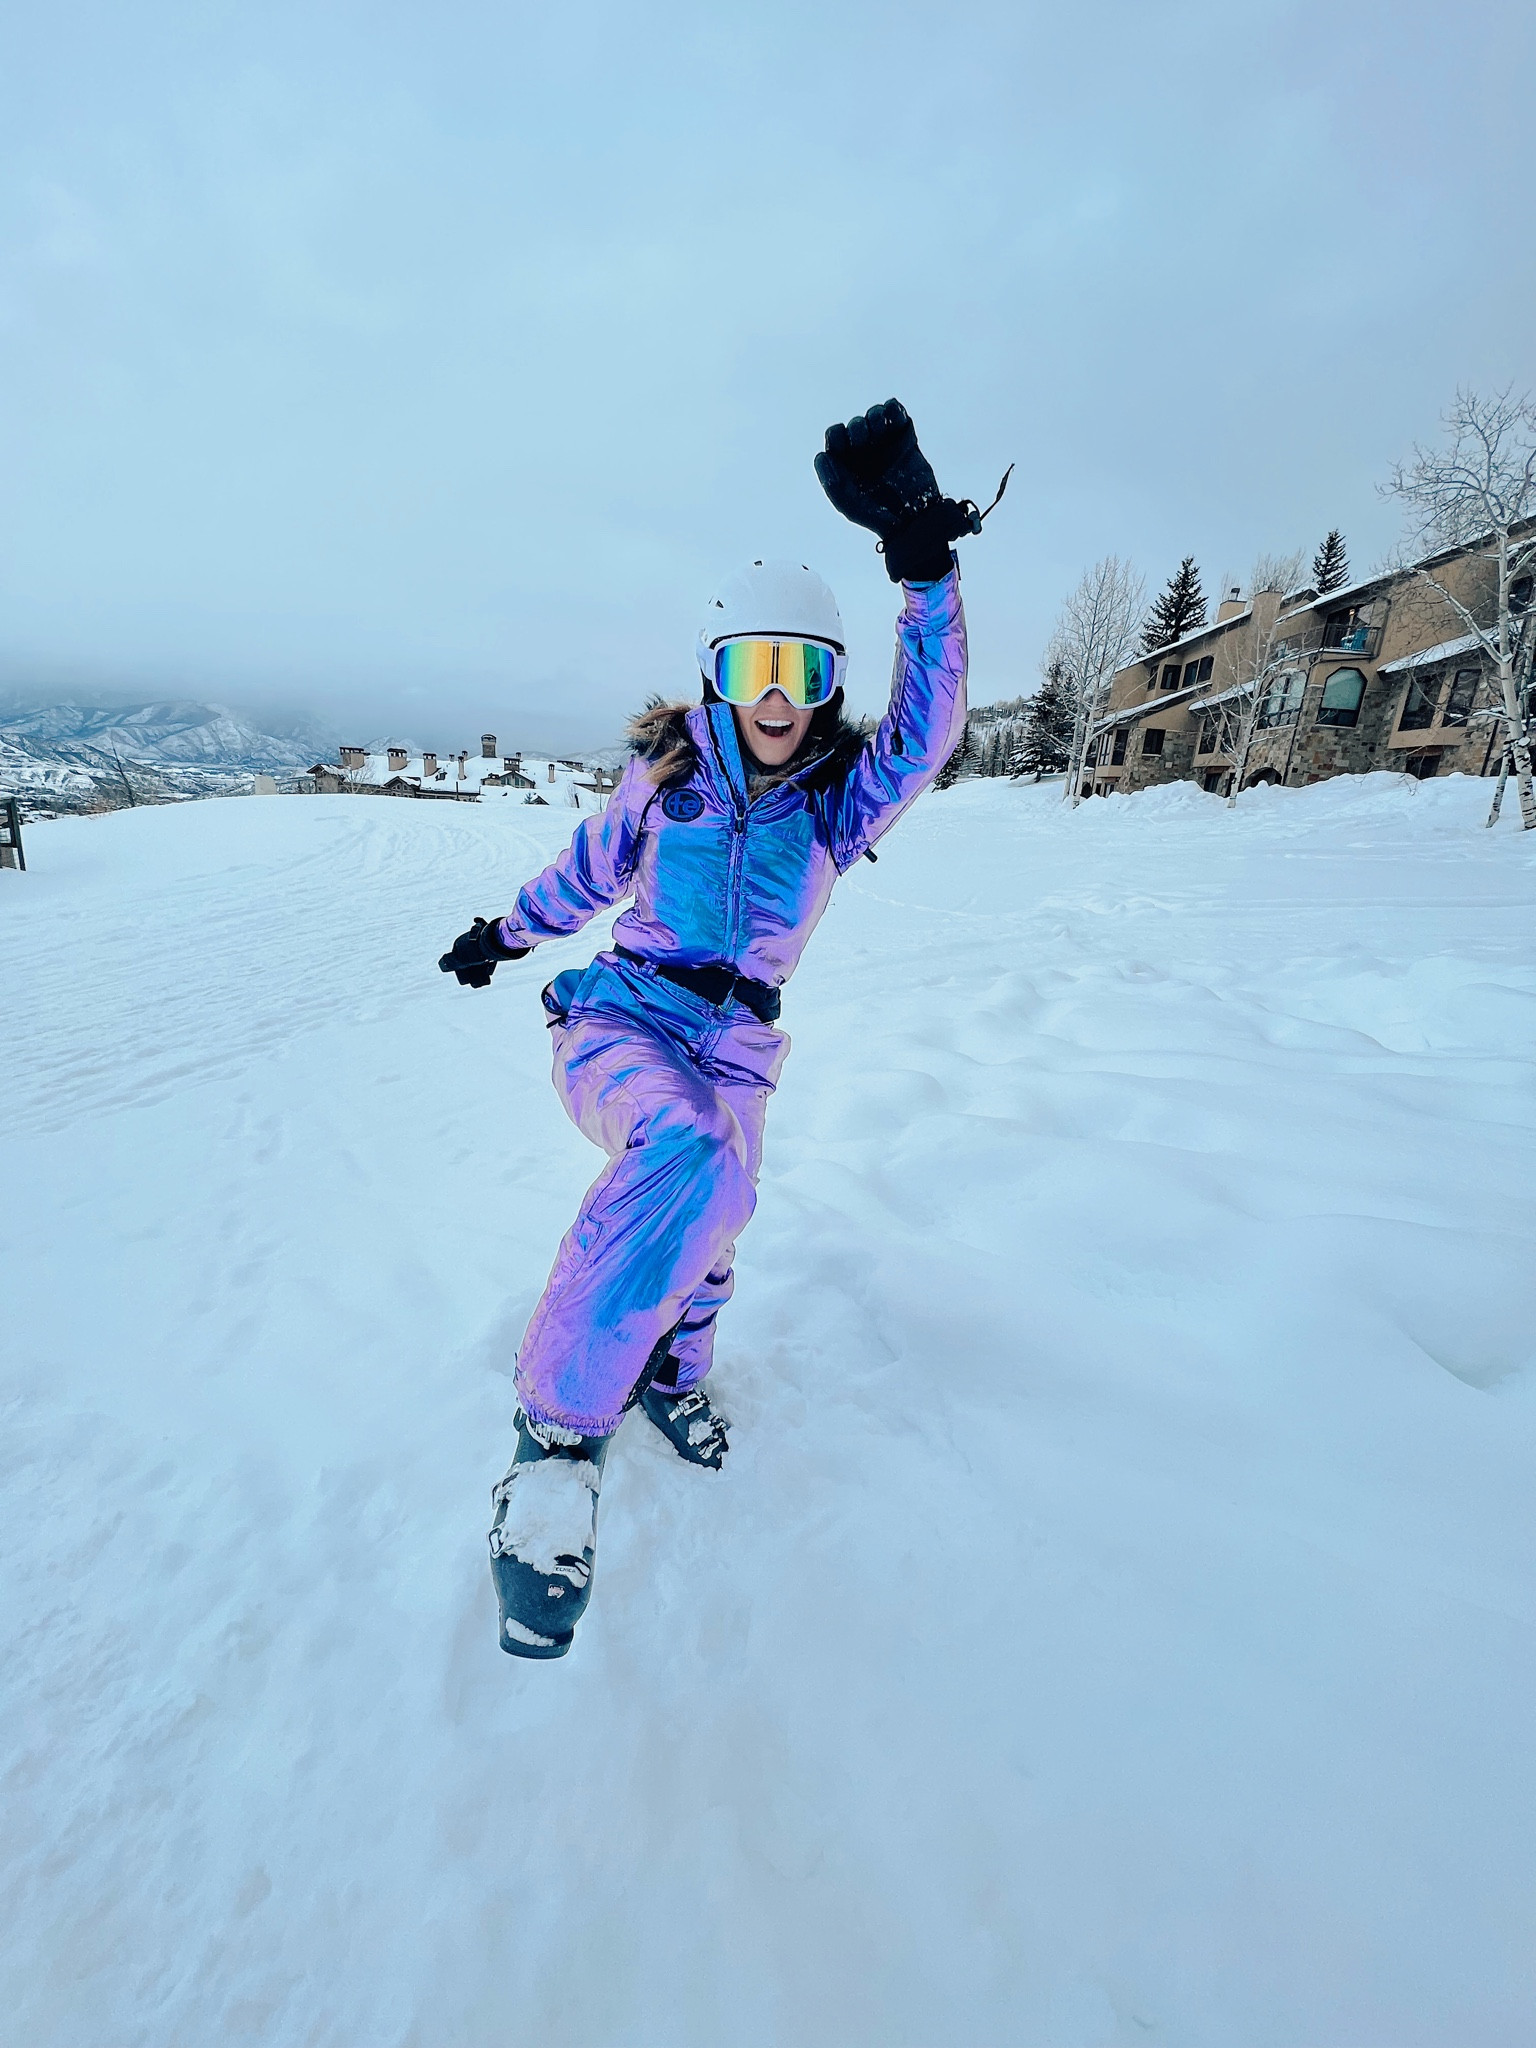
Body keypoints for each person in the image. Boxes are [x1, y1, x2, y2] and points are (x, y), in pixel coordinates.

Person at [440, 400, 974, 1659]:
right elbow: (583, 874)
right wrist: (508, 935)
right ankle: (558, 1450)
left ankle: (674, 1383)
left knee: (717, 1218)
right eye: (750, 670)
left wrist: (925, 571)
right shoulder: (669, 778)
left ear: (829, 685)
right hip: (627, 1014)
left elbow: (933, 728)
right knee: (680, 1157)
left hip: (740, 1044)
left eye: (803, 672)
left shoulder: (840, 802)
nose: (777, 698)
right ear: (712, 677)